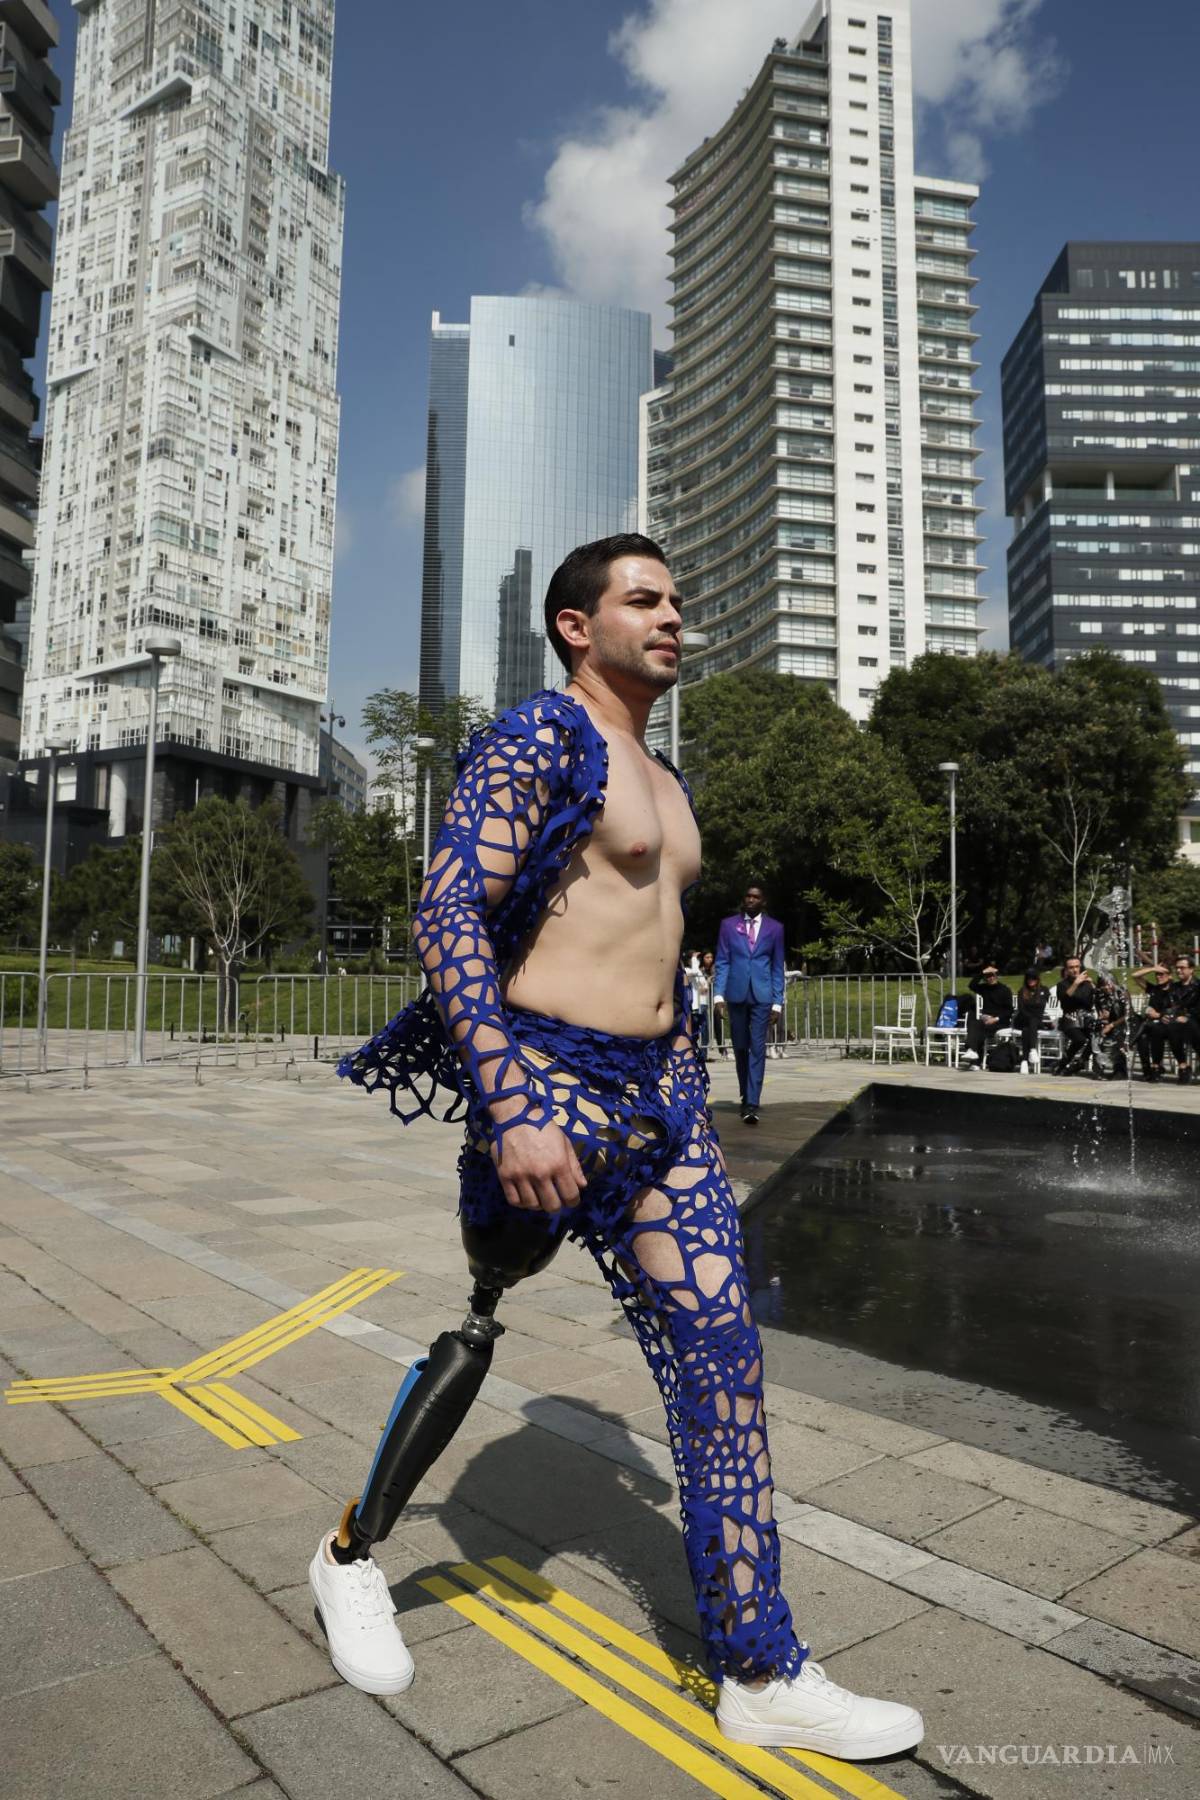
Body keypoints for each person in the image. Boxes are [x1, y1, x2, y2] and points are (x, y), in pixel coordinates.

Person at [308, 533, 922, 1761]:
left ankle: (762, 1668)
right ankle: (347, 1555)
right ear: (577, 627)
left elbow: (655, 949)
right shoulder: (544, 737)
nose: (674, 618)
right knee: (483, 1315)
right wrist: (512, 1099)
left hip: (661, 1103)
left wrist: (687, 1068)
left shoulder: (669, 776)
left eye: (679, 600)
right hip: (546, 1091)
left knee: (724, 1364)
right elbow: (448, 911)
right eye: (646, 600)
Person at [713, 885, 786, 1125]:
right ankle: (745, 1092)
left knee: (757, 1048)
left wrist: (777, 1002)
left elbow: (777, 967)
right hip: (735, 994)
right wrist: (718, 996)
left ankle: (752, 1102)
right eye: (748, 896)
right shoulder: (728, 925)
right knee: (741, 1048)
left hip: (762, 997)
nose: (751, 900)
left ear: (763, 901)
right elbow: (723, 961)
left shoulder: (776, 929)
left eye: (756, 897)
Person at [959, 963, 1013, 1068]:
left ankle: (974, 1058)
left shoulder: (1005, 990)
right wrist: (982, 972)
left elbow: (1009, 1010)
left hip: (1000, 1022)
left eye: (992, 975)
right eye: (988, 976)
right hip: (986, 1020)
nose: (990, 978)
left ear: (996, 975)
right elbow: (972, 985)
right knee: (975, 1023)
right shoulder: (985, 988)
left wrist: (995, 1019)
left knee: (979, 1029)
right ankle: (972, 1052)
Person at [1055, 955, 1097, 1076]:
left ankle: (1080, 1063)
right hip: (1070, 1019)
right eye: (1071, 967)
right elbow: (1064, 1000)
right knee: (1080, 1040)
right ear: (1066, 969)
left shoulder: (1088, 984)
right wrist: (1075, 983)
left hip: (1086, 1018)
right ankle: (1064, 1063)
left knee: (1096, 1037)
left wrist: (1094, 987)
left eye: (1077, 966)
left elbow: (1092, 1002)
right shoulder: (1062, 984)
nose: (1074, 970)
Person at [1132, 964, 1174, 1082]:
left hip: (1168, 1026)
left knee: (1153, 1031)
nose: (1158, 976)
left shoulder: (1175, 990)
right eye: (1157, 974)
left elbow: (1177, 1009)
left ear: (1170, 976)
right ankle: (1148, 1071)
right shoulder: (1154, 989)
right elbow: (1134, 976)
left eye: (1162, 974)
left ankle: (1156, 1067)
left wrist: (1159, 1015)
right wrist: (1152, 969)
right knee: (1143, 1038)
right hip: (1152, 1025)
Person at [1163, 953, 1200, 1083]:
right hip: (1177, 1024)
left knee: (1190, 1025)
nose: (1178, 970)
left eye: (1182, 967)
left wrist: (1187, 1016)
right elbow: (1166, 1005)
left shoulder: (1198, 986)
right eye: (1177, 967)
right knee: (1171, 1027)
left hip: (1196, 1021)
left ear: (1191, 969)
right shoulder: (1173, 987)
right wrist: (1164, 1015)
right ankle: (1183, 1066)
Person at [1012, 969, 1050, 1072]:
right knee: (1030, 1022)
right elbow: (1021, 1009)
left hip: (1037, 1021)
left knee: (1027, 1029)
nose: (1031, 980)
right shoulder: (1022, 991)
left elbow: (1042, 1006)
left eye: (1033, 978)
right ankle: (1032, 1051)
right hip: (1022, 1019)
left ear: (1037, 979)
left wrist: (1032, 1004)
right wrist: (1031, 1014)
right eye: (1028, 978)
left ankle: (1024, 1061)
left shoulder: (1044, 990)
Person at [701, 949, 726, 1058]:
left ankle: (723, 1050)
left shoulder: (715, 968)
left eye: (711, 957)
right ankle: (704, 1051)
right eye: (707, 957)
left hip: (715, 999)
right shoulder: (700, 970)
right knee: (704, 1026)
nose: (709, 959)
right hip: (703, 1000)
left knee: (718, 1023)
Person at [688, 950, 711, 1060]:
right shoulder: (688, 970)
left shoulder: (699, 971)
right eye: (695, 959)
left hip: (703, 1002)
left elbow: (704, 985)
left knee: (705, 1030)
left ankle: (703, 1053)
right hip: (696, 1005)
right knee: (697, 1031)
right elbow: (696, 975)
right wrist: (693, 959)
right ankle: (695, 1052)